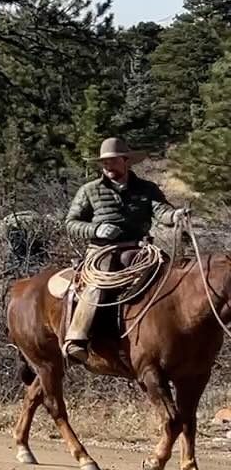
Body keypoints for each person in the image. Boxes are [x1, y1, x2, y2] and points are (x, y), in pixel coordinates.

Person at [62, 137, 190, 364]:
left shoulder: (147, 189)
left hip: (140, 249)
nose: (107, 166)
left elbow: (161, 211)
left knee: (171, 278)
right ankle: (76, 338)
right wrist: (97, 229)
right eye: (104, 162)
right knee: (98, 284)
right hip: (102, 251)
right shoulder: (89, 190)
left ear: (126, 160)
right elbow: (71, 223)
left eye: (112, 161)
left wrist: (175, 215)